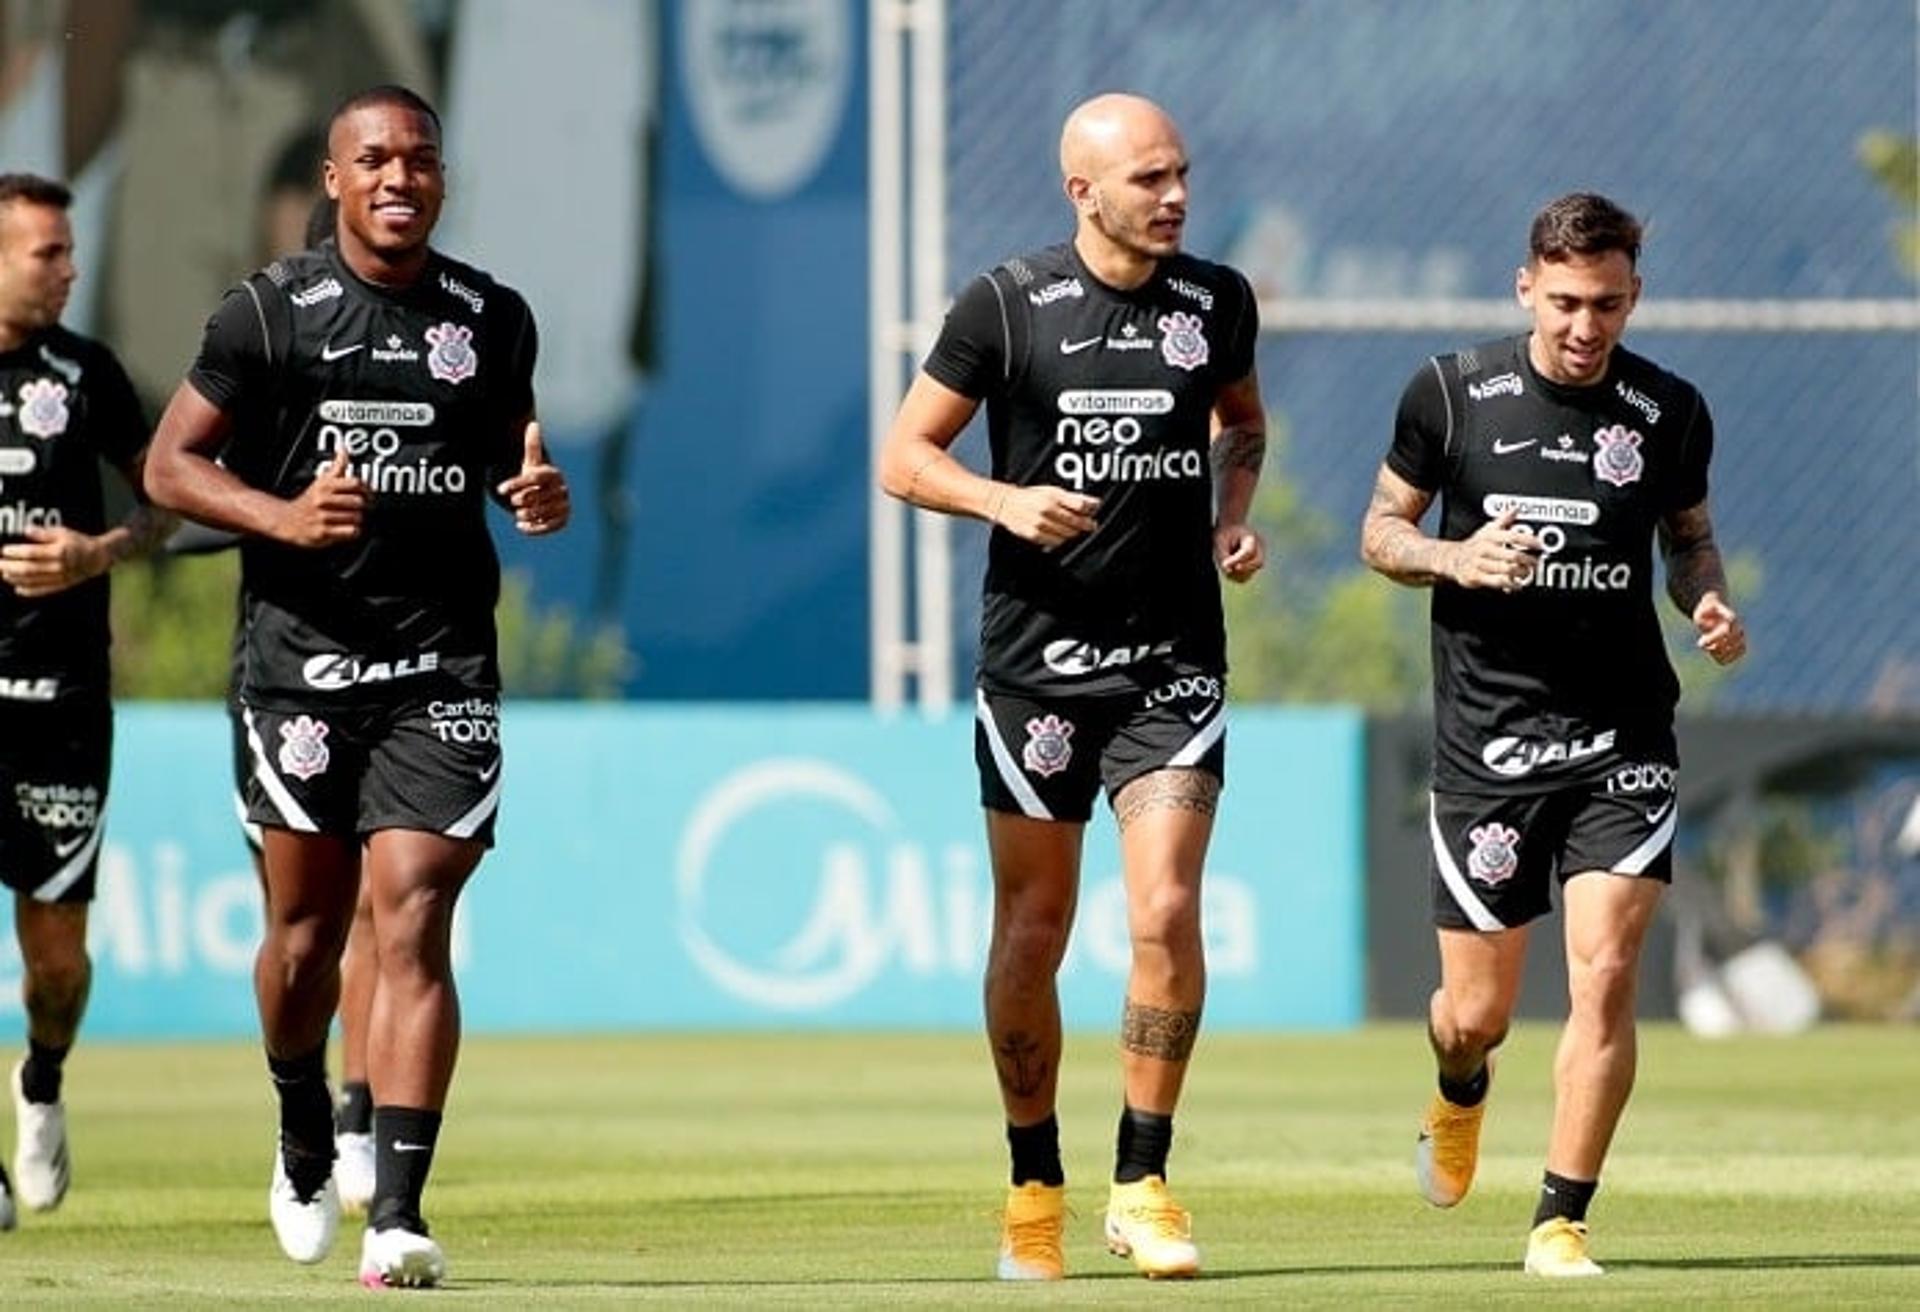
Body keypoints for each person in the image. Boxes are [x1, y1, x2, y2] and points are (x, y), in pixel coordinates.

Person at [144, 86, 569, 1288]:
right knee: (304, 938)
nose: (399, 176)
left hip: (441, 660)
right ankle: (296, 1120)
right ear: (334, 179)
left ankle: (398, 1214)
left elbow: (510, 462)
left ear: (442, 177)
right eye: (373, 158)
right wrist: (281, 514)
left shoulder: (491, 318)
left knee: (416, 909)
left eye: (420, 158)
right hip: (298, 670)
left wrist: (532, 495)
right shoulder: (268, 314)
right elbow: (173, 466)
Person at [878, 92, 1266, 1282]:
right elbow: (904, 456)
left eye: (1182, 174)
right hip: (1038, 669)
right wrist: (1004, 502)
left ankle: (1143, 1181)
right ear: (1081, 191)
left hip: (1172, 668)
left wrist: (1234, 516)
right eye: (1149, 178)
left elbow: (1242, 426)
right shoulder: (1005, 304)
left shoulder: (1218, 302)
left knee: (1164, 914)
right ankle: (1032, 1180)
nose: (1176, 197)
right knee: (1034, 929)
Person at [1359, 192, 1747, 1278]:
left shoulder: (1667, 410)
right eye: (1569, 301)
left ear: (1635, 296)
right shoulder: (1449, 393)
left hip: (1624, 735)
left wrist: (1705, 602)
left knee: (1607, 971)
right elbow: (1379, 532)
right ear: (1527, 284)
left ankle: (1561, 1218)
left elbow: (1692, 542)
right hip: (1489, 743)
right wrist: (1454, 557)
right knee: (1475, 1011)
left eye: (1610, 305)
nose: (1587, 326)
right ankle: (1458, 1082)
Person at [0, 172, 171, 1229]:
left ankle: (43, 1082)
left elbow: (168, 498)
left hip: (61, 697)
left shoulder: (88, 372)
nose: (69, 269)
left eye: (69, 250)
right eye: (46, 254)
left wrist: (96, 550)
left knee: (55, 961)